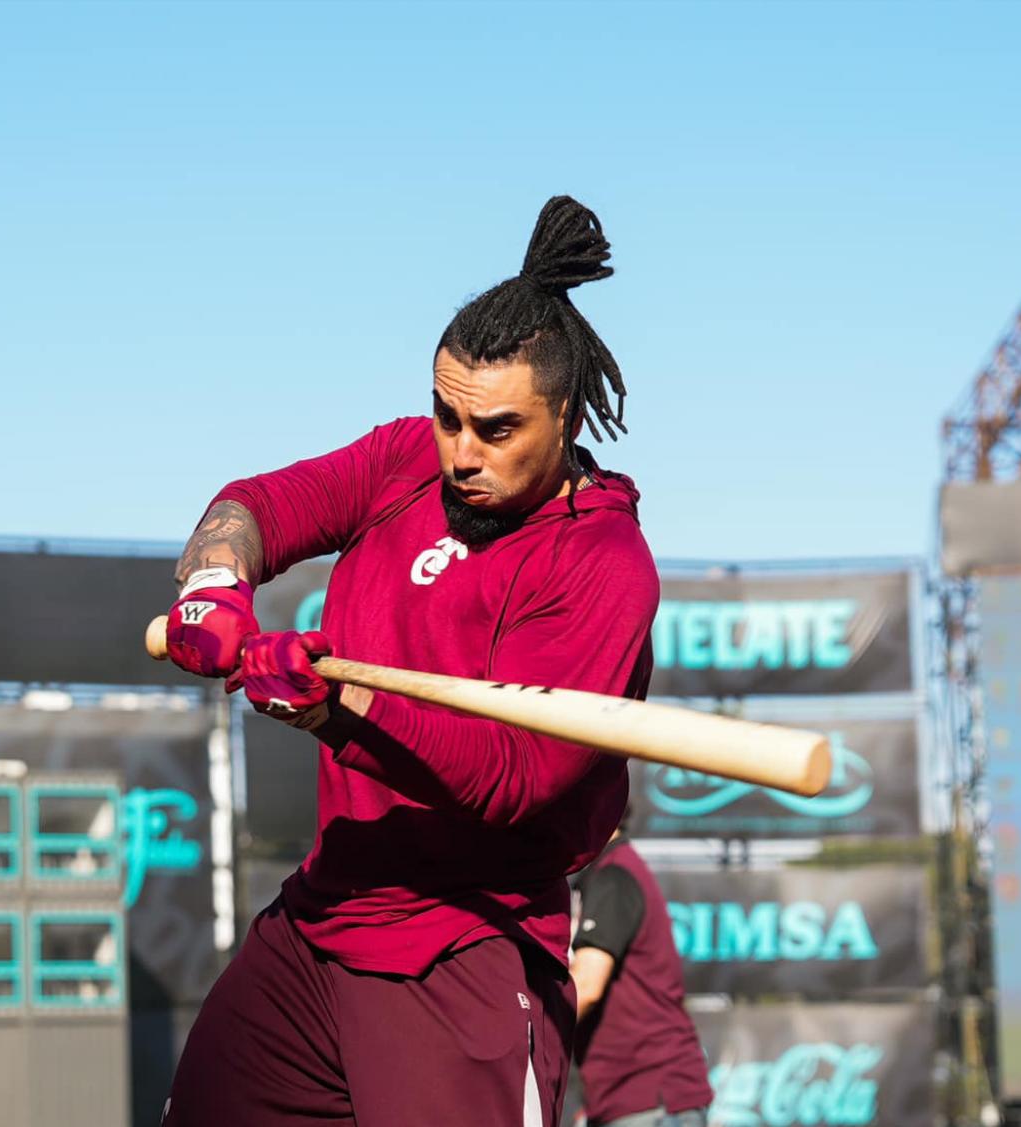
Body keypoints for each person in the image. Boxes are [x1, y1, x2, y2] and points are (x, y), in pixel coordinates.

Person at [158, 196, 660, 1126]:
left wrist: (334, 707)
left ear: (564, 415)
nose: (462, 453)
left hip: (468, 946)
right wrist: (214, 587)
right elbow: (257, 505)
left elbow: (512, 776)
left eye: (497, 429)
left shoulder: (601, 563)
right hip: (325, 917)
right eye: (447, 416)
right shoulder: (403, 463)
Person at [570, 825, 713, 1127]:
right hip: (628, 1098)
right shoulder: (605, 872)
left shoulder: (614, 874)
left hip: (650, 1096)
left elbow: (586, 987)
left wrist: (521, 1040)